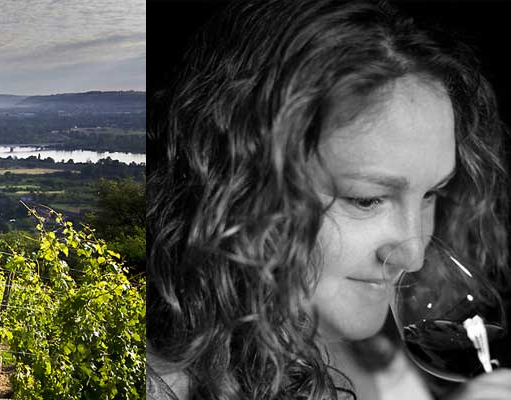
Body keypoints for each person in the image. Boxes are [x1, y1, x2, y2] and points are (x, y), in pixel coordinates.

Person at [146, 0, 511, 399]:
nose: (414, 257)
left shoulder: (378, 360)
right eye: (366, 200)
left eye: (431, 194)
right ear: (240, 190)